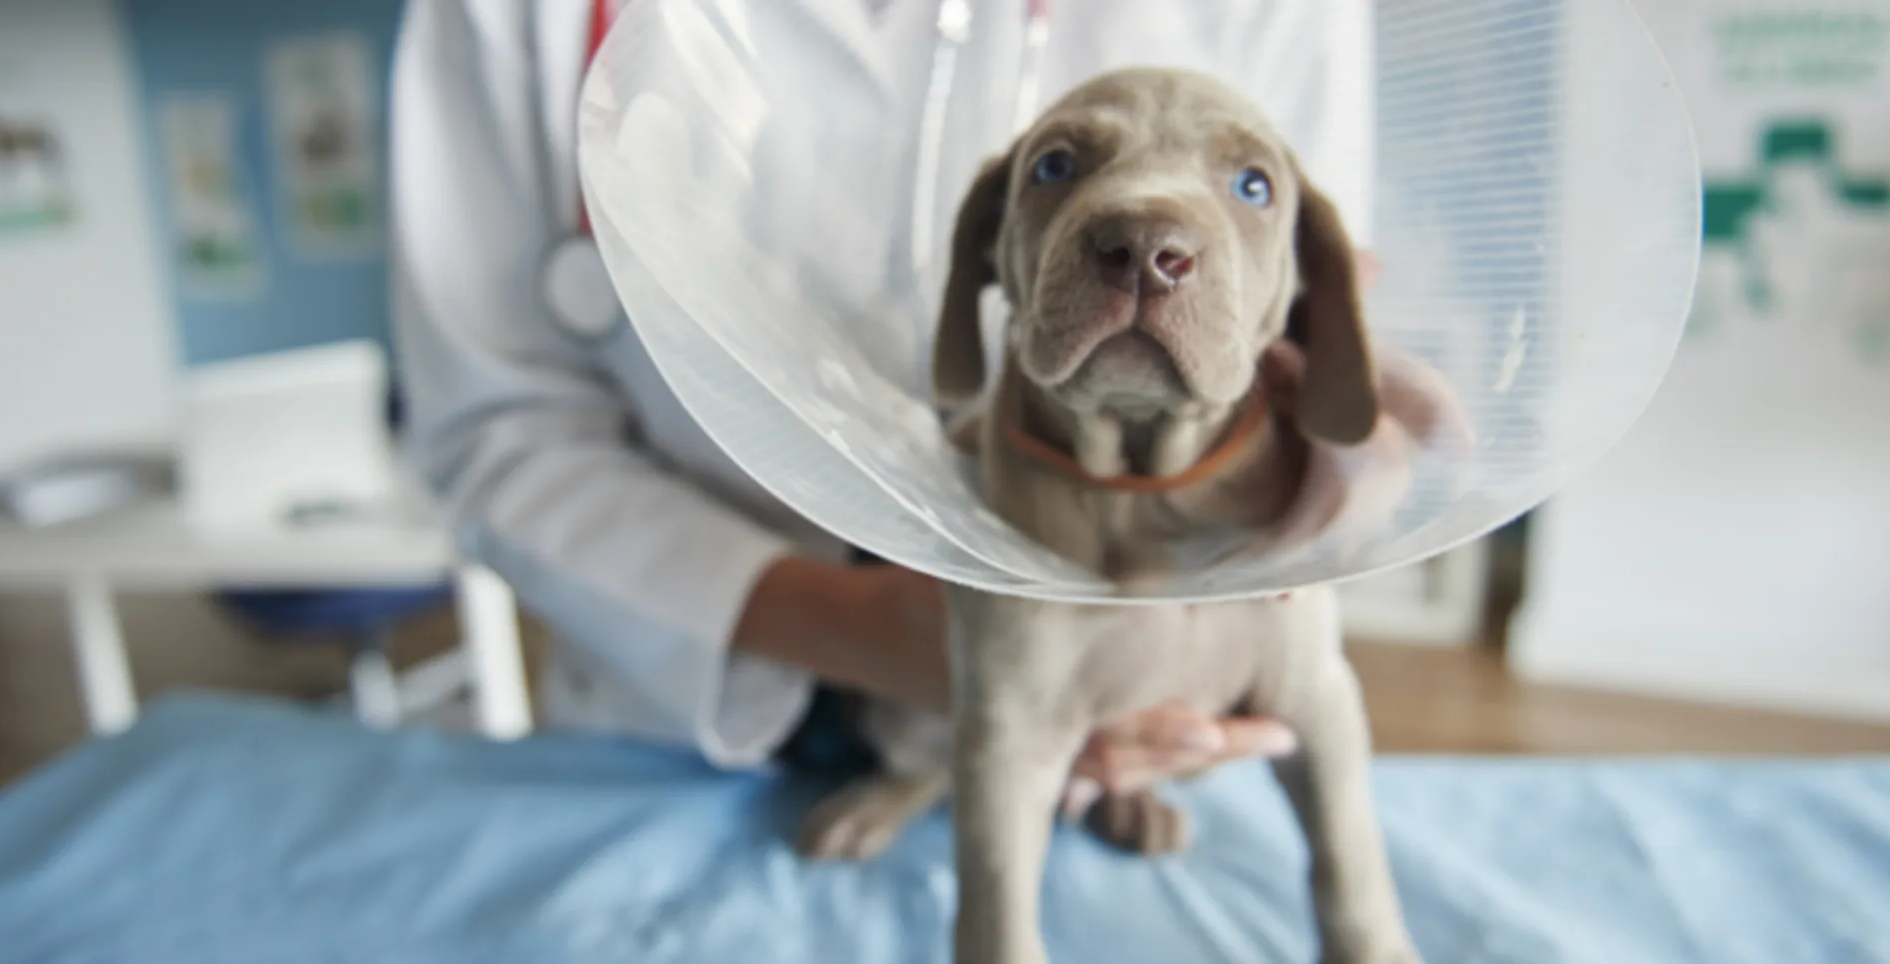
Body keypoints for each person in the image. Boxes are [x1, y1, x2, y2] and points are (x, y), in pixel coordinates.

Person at [389, 0, 1377, 808]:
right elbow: (495, 429)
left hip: (1107, 716)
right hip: (681, 723)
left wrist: (1356, 434)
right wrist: (870, 631)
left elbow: (1298, 315)